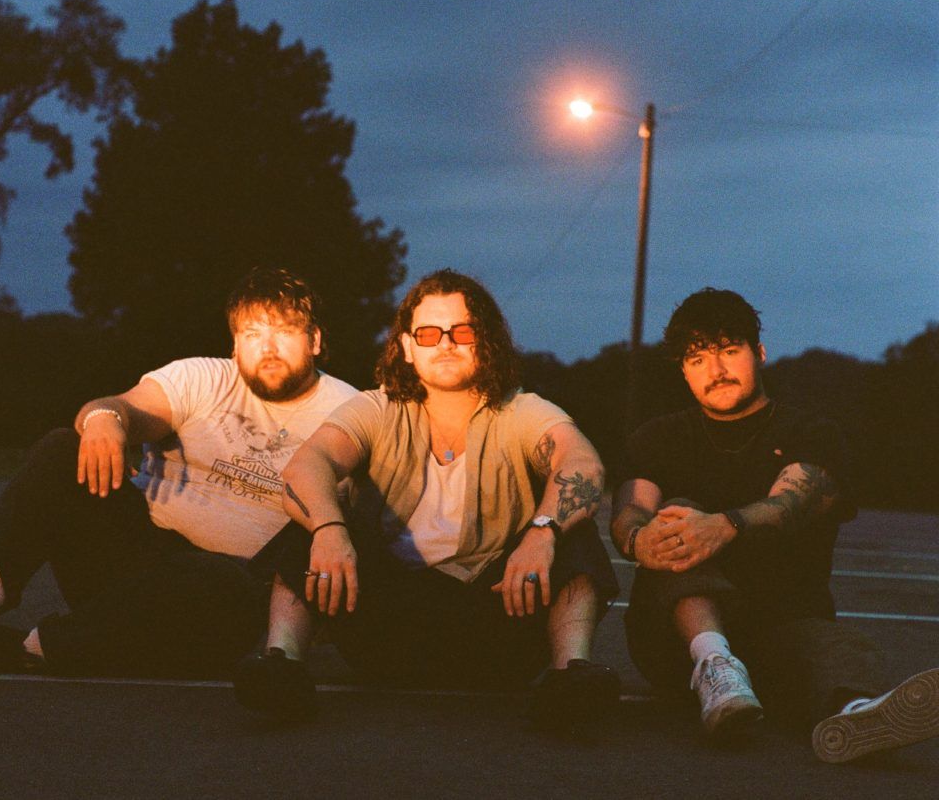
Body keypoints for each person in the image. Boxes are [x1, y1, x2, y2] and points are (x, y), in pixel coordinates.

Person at [0, 268, 357, 683]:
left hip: (218, 596)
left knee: (223, 589)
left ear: (315, 340)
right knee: (63, 447)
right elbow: (121, 405)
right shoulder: (201, 378)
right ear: (235, 344)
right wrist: (105, 421)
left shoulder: (349, 410)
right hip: (130, 554)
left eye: (284, 331)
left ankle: (18, 650)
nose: (268, 347)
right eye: (252, 334)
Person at [233, 269, 620, 726]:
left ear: (485, 341)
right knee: (313, 518)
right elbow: (307, 465)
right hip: (387, 626)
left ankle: (572, 676)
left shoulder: (521, 410)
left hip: (495, 627)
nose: (446, 344)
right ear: (407, 346)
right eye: (430, 333)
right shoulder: (377, 408)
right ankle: (281, 665)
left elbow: (582, 464)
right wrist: (329, 530)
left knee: (570, 531)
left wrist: (542, 532)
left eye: (462, 331)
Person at [611, 287, 939, 763]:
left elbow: (793, 501)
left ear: (759, 353)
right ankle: (714, 664)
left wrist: (725, 526)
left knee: (834, 647)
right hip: (675, 644)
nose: (716, 370)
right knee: (675, 515)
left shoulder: (810, 432)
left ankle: (856, 714)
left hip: (781, 628)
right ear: (683, 370)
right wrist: (639, 539)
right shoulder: (660, 437)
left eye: (729, 350)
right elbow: (631, 511)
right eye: (698, 359)